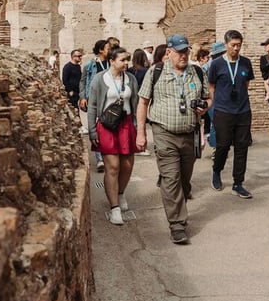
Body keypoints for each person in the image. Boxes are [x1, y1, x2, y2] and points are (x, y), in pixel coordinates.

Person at [136, 33, 211, 244]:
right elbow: (143, 103)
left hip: (189, 133)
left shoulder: (196, 71)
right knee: (171, 178)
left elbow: (208, 98)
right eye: (179, 51)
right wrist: (141, 132)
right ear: (169, 52)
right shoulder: (156, 72)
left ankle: (179, 200)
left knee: (184, 179)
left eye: (186, 51)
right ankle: (177, 224)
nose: (184, 55)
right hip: (164, 132)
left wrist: (204, 108)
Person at [87, 47, 139, 225]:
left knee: (127, 164)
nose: (126, 63)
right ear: (112, 61)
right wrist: (92, 130)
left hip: (126, 124)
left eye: (127, 60)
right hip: (107, 125)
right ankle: (114, 207)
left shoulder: (131, 79)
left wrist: (138, 128)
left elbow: (136, 103)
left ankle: (120, 192)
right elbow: (93, 106)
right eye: (123, 60)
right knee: (113, 166)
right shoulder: (99, 79)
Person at [208, 30, 255, 198]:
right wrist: (216, 104)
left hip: (243, 111)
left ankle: (238, 182)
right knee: (223, 145)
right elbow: (212, 86)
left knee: (242, 147)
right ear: (226, 44)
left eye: (239, 45)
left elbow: (246, 83)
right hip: (223, 111)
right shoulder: (216, 64)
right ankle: (216, 171)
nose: (236, 48)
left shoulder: (245, 63)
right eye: (233, 45)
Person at [79, 39, 110, 172]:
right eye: (108, 48)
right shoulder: (89, 65)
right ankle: (100, 159)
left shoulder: (111, 63)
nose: (110, 50)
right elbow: (83, 81)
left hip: (109, 99)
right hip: (94, 98)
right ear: (101, 50)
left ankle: (109, 154)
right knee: (96, 127)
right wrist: (82, 97)